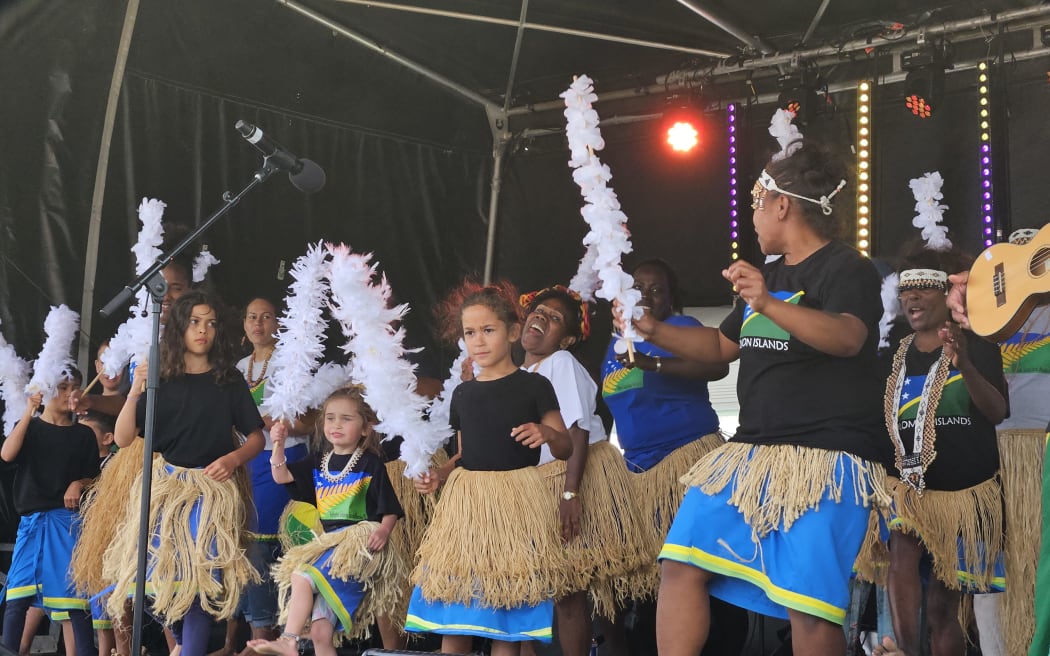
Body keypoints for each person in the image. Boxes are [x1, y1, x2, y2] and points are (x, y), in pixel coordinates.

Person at [620, 142, 887, 656]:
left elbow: (848, 337)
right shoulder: (775, 276)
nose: (752, 215)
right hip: (752, 454)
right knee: (680, 562)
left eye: (756, 204)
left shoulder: (846, 268)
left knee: (807, 608)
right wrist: (649, 328)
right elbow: (719, 347)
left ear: (781, 205)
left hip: (826, 457)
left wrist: (765, 301)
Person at [405, 282, 573, 656]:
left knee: (505, 626)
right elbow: (464, 455)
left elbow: (566, 446)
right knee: (457, 615)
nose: (477, 341)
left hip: (516, 506)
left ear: (513, 331)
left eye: (488, 330)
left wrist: (546, 433)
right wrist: (440, 475)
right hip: (468, 512)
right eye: (469, 333)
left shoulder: (535, 386)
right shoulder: (463, 393)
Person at [103, 290, 265, 656]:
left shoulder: (228, 380)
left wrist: (234, 459)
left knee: (198, 586)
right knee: (157, 584)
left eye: (210, 323)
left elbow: (256, 437)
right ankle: (179, 644)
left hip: (209, 495)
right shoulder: (165, 379)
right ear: (179, 328)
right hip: (166, 491)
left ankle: (188, 650)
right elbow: (126, 438)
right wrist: (136, 390)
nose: (202, 330)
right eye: (194, 322)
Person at [864, 250, 1008, 656]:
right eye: (906, 288)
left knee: (946, 609)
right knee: (902, 553)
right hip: (907, 489)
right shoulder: (890, 354)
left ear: (949, 293)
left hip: (963, 493)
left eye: (925, 287)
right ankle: (906, 650)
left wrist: (964, 362)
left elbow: (997, 411)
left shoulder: (978, 342)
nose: (913, 296)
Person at [601, 259, 744, 656]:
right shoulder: (613, 347)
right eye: (638, 287)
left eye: (656, 289)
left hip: (687, 462)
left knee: (699, 568)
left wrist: (652, 362)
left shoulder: (681, 330)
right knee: (654, 577)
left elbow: (715, 367)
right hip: (639, 472)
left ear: (671, 299)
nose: (645, 295)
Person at [518, 285, 650, 656]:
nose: (541, 317)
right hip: (540, 483)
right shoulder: (521, 374)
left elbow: (575, 428)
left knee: (570, 590)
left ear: (569, 338)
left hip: (573, 478)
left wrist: (570, 493)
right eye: (539, 310)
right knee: (540, 590)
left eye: (555, 318)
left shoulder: (561, 363)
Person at [245, 386, 405, 656]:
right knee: (320, 632)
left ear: (365, 428)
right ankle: (295, 639)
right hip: (330, 546)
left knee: (302, 574)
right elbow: (282, 476)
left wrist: (385, 531)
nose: (336, 425)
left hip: (356, 549)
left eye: (346, 418)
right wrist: (279, 445)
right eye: (330, 418)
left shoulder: (370, 464)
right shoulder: (319, 461)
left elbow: (389, 507)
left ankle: (288, 639)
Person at [210, 297, 312, 656]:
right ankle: (258, 638)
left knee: (284, 547)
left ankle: (290, 635)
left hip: (285, 460)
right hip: (250, 463)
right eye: (252, 317)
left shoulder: (292, 363)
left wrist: (279, 425)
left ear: (278, 324)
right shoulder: (238, 367)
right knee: (250, 548)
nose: (258, 323)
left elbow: (312, 420)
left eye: (266, 317)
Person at [1, 368, 100, 656]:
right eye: (63, 386)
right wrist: (30, 410)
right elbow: (7, 454)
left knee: (74, 601)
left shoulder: (83, 434)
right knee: (17, 598)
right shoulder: (28, 427)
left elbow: (95, 477)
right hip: (31, 524)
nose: (71, 392)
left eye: (76, 386)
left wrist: (78, 483)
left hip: (67, 524)